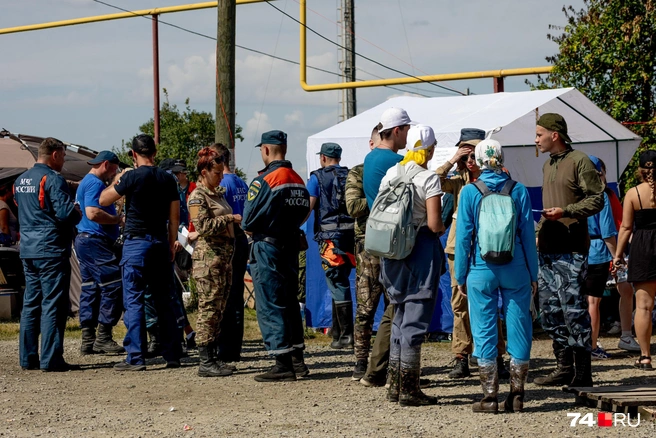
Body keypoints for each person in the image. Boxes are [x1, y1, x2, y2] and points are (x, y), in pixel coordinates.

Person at [455, 139, 538, 414]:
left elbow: (464, 237)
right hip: (516, 268)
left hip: (481, 269)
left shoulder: (469, 192)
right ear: (501, 159)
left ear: (477, 162)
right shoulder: (519, 190)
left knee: (483, 330)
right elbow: (527, 236)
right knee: (519, 327)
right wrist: (533, 274)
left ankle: (489, 398)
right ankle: (517, 396)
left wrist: (460, 274)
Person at [99, 134, 182, 371]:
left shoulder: (131, 177)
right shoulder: (168, 179)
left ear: (133, 155)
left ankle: (135, 357)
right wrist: (171, 243)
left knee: (134, 300)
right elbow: (174, 217)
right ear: (154, 153)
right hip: (159, 242)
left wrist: (120, 178)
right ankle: (172, 354)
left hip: (136, 243)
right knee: (164, 300)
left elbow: (104, 199)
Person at [533, 113, 604, 387]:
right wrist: (539, 233)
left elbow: (597, 199)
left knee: (574, 310)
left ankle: (583, 373)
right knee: (550, 312)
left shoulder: (580, 161)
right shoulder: (548, 165)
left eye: (540, 134)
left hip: (572, 248)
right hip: (548, 250)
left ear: (555, 134)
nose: (536, 139)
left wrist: (567, 211)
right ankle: (564, 368)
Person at [436, 128, 509, 380]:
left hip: (488, 248)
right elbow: (433, 182)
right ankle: (461, 357)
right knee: (460, 305)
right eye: (466, 154)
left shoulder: (498, 180)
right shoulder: (457, 183)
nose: (469, 161)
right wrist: (452, 159)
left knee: (491, 303)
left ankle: (497, 357)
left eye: (473, 154)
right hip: (459, 249)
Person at [380, 124, 444, 407]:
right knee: (416, 320)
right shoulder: (429, 179)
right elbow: (433, 223)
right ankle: (409, 389)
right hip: (419, 251)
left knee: (399, 317)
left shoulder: (391, 173)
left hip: (391, 253)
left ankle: (393, 387)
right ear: (429, 150)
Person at [242, 130, 310, 382]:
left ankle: (281, 363)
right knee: (290, 302)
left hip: (267, 247)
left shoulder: (265, 180)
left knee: (271, 303)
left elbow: (247, 220)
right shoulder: (297, 179)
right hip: (290, 245)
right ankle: (297, 361)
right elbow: (304, 213)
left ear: (267, 150)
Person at [14, 137, 82, 371]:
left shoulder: (21, 180)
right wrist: (78, 212)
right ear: (54, 154)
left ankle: (27, 358)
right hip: (51, 248)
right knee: (53, 303)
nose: (63, 160)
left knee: (31, 303)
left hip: (28, 249)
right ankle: (51, 359)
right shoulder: (53, 179)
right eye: (63, 155)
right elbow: (65, 213)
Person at [361, 109, 414, 389]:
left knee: (393, 305)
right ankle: (383, 369)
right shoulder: (398, 161)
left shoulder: (370, 159)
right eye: (406, 130)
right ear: (396, 131)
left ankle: (383, 368)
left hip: (379, 237)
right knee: (399, 306)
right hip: (399, 240)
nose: (408, 136)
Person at [188, 147, 240, 377]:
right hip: (208, 260)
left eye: (221, 172)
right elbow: (202, 227)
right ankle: (205, 360)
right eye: (216, 173)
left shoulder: (217, 194)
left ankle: (214, 356)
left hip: (223, 259)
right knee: (208, 308)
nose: (221, 176)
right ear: (204, 172)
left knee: (219, 308)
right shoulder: (197, 197)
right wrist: (229, 218)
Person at [346, 124, 388, 383]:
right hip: (368, 246)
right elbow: (352, 206)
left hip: (394, 245)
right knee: (366, 306)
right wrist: (380, 198)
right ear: (371, 145)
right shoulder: (358, 172)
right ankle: (361, 361)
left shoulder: (396, 169)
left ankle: (387, 361)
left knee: (395, 307)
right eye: (376, 144)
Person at [306, 142, 356, 351]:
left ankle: (346, 335)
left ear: (323, 158)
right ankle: (337, 333)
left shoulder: (316, 178)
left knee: (337, 282)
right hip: (350, 236)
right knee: (342, 278)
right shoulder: (351, 175)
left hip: (329, 238)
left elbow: (308, 205)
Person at [74, 151, 125, 355]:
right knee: (113, 285)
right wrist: (117, 220)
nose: (115, 173)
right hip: (95, 241)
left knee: (91, 288)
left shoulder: (85, 182)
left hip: (85, 241)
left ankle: (88, 339)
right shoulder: (95, 183)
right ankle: (103, 336)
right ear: (105, 164)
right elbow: (92, 213)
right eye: (114, 168)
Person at [614, 150, 656, 370]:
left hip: (642, 248)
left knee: (643, 307)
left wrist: (618, 255)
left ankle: (646, 356)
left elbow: (626, 227)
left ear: (640, 170)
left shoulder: (633, 193)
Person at [598, 159, 640, 352]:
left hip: (616, 250)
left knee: (626, 290)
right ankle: (593, 339)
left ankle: (625, 334)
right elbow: (610, 229)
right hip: (603, 252)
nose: (600, 177)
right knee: (593, 299)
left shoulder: (610, 195)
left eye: (602, 173)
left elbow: (622, 223)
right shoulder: (594, 196)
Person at [213, 143, 250, 363]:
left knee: (224, 294)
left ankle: (225, 347)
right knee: (236, 295)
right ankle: (234, 346)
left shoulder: (222, 184)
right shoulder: (240, 182)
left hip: (229, 238)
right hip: (242, 238)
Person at [583, 156, 619, 360]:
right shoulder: (601, 195)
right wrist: (617, 257)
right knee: (594, 302)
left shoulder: (575, 193)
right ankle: (593, 345)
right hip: (597, 252)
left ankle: (581, 344)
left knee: (579, 301)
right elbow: (607, 232)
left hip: (577, 252)